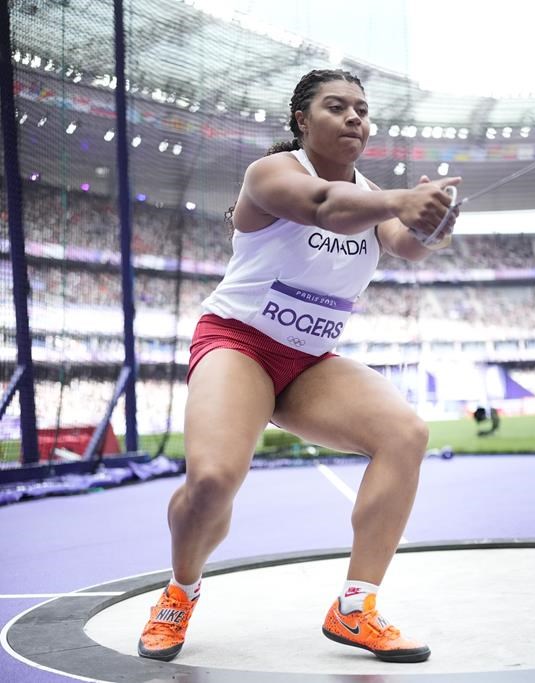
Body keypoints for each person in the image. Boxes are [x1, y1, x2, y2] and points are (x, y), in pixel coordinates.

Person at [137, 68, 459, 664]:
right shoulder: (272, 175)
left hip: (310, 362)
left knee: (405, 433)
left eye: (362, 109)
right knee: (211, 482)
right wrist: (399, 200)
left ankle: (355, 609)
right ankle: (180, 590)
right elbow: (324, 206)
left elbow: (407, 244)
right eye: (337, 107)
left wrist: (432, 224)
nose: (354, 118)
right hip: (239, 344)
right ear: (301, 120)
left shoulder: (370, 194)